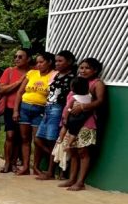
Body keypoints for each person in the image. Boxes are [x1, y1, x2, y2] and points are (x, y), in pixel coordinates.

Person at [60, 58, 106, 191]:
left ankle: (80, 182)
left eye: (87, 68)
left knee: (83, 152)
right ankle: (72, 179)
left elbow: (100, 101)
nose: (83, 70)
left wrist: (83, 107)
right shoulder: (78, 82)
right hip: (73, 124)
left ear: (95, 70)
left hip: (87, 123)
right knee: (73, 151)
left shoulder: (97, 84)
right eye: (81, 68)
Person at [13, 52, 56, 176]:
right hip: (25, 108)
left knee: (37, 140)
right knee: (25, 139)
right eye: (37, 62)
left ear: (49, 62)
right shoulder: (31, 73)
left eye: (42, 62)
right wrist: (16, 110)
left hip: (41, 110)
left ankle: (36, 166)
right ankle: (26, 166)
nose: (39, 65)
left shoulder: (53, 75)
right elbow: (20, 92)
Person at [35, 50, 76, 180]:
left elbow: (70, 98)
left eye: (60, 61)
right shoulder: (56, 75)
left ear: (69, 62)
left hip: (58, 110)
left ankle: (51, 171)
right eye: (56, 61)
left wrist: (65, 115)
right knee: (38, 139)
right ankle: (58, 159)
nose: (57, 63)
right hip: (47, 109)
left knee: (52, 140)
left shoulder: (72, 78)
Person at [0, 48, 31, 173]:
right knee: (10, 135)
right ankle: (7, 162)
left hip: (27, 108)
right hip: (10, 107)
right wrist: (19, 82)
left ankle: (14, 162)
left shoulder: (33, 72)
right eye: (15, 56)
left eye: (20, 57)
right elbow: (2, 89)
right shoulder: (9, 71)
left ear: (28, 59)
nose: (17, 59)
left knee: (20, 137)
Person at [60, 77, 90, 149]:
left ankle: (60, 139)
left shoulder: (74, 97)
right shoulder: (89, 97)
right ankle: (69, 144)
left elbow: (68, 108)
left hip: (72, 117)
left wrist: (65, 118)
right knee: (74, 132)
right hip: (81, 118)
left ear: (73, 88)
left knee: (65, 127)